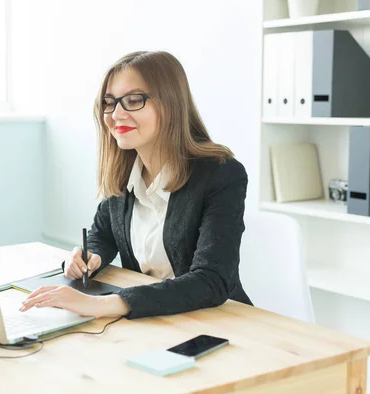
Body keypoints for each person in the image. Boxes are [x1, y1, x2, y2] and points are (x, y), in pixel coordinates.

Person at [20, 51, 252, 319]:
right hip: (153, 318)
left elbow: (211, 280)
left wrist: (105, 304)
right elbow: (103, 235)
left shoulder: (221, 175)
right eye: (109, 102)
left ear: (170, 104)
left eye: (133, 100)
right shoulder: (124, 174)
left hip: (217, 321)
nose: (116, 114)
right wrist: (89, 255)